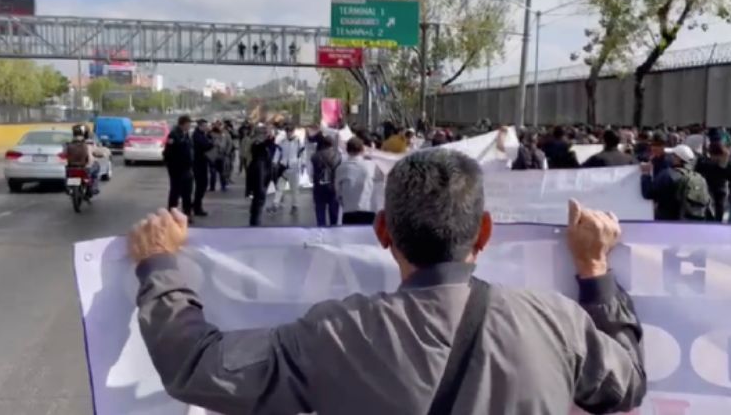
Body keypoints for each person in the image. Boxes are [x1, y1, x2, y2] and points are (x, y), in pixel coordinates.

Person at [128, 149, 646, 415]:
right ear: (482, 231)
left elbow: (197, 367)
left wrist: (159, 265)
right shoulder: (555, 322)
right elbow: (625, 386)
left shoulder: (335, 333)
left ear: (381, 231)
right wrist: (595, 271)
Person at [640, 144, 713, 221]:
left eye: (672, 155)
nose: (669, 157)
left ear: (678, 158)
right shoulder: (697, 177)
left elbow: (648, 193)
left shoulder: (667, 175)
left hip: (669, 223)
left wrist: (646, 174)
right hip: (691, 223)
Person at [336, 137, 381, 225]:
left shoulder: (341, 168)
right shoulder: (372, 166)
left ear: (347, 150)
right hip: (368, 209)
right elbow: (379, 186)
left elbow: (338, 192)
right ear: (362, 149)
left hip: (349, 211)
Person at [163, 115, 194, 221]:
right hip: (177, 170)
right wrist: (173, 167)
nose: (189, 126)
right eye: (188, 124)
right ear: (183, 123)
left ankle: (187, 213)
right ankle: (172, 214)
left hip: (187, 168)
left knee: (187, 193)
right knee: (175, 193)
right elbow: (168, 153)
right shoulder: (174, 135)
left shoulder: (186, 134)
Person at [271, 124, 304, 214]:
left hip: (294, 167)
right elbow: (278, 152)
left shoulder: (298, 142)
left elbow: (302, 153)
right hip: (283, 166)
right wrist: (274, 161)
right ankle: (275, 204)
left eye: (290, 131)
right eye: (287, 131)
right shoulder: (283, 142)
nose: (289, 133)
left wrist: (303, 164)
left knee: (294, 189)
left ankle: (295, 205)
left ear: (293, 131)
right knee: (279, 187)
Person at [694, 141, 730, 222]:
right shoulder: (705, 162)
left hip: (717, 187)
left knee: (718, 207)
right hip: (711, 187)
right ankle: (715, 221)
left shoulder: (705, 161)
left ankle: (716, 221)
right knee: (713, 207)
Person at [246, 126, 274, 226]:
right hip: (259, 177)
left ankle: (255, 220)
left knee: (258, 200)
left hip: (262, 176)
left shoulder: (260, 144)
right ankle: (255, 222)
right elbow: (263, 146)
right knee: (258, 199)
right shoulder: (256, 143)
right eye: (265, 133)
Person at [311, 135, 341, 226]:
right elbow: (340, 172)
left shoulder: (314, 156)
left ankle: (321, 236)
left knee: (320, 215)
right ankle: (333, 235)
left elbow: (310, 172)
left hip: (319, 188)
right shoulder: (338, 156)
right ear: (332, 144)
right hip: (333, 188)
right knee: (334, 215)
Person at [66, 124, 101, 195]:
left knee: (67, 173)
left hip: (71, 167)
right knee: (96, 170)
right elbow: (96, 152)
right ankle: (94, 188)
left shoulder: (69, 144)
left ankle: (69, 188)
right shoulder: (90, 143)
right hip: (86, 167)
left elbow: (63, 154)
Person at [191, 119, 213, 217]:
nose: (206, 127)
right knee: (201, 186)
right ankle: (197, 207)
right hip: (198, 163)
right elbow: (205, 145)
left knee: (203, 186)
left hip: (203, 162)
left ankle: (196, 204)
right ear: (200, 126)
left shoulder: (203, 134)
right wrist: (212, 143)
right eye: (204, 126)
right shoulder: (197, 135)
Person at [207, 121, 233, 192]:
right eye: (216, 125)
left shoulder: (225, 134)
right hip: (212, 155)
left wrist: (227, 152)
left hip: (222, 155)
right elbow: (206, 143)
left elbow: (230, 143)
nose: (218, 126)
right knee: (213, 172)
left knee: (222, 172)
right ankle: (212, 187)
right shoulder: (210, 133)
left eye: (219, 125)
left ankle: (223, 186)